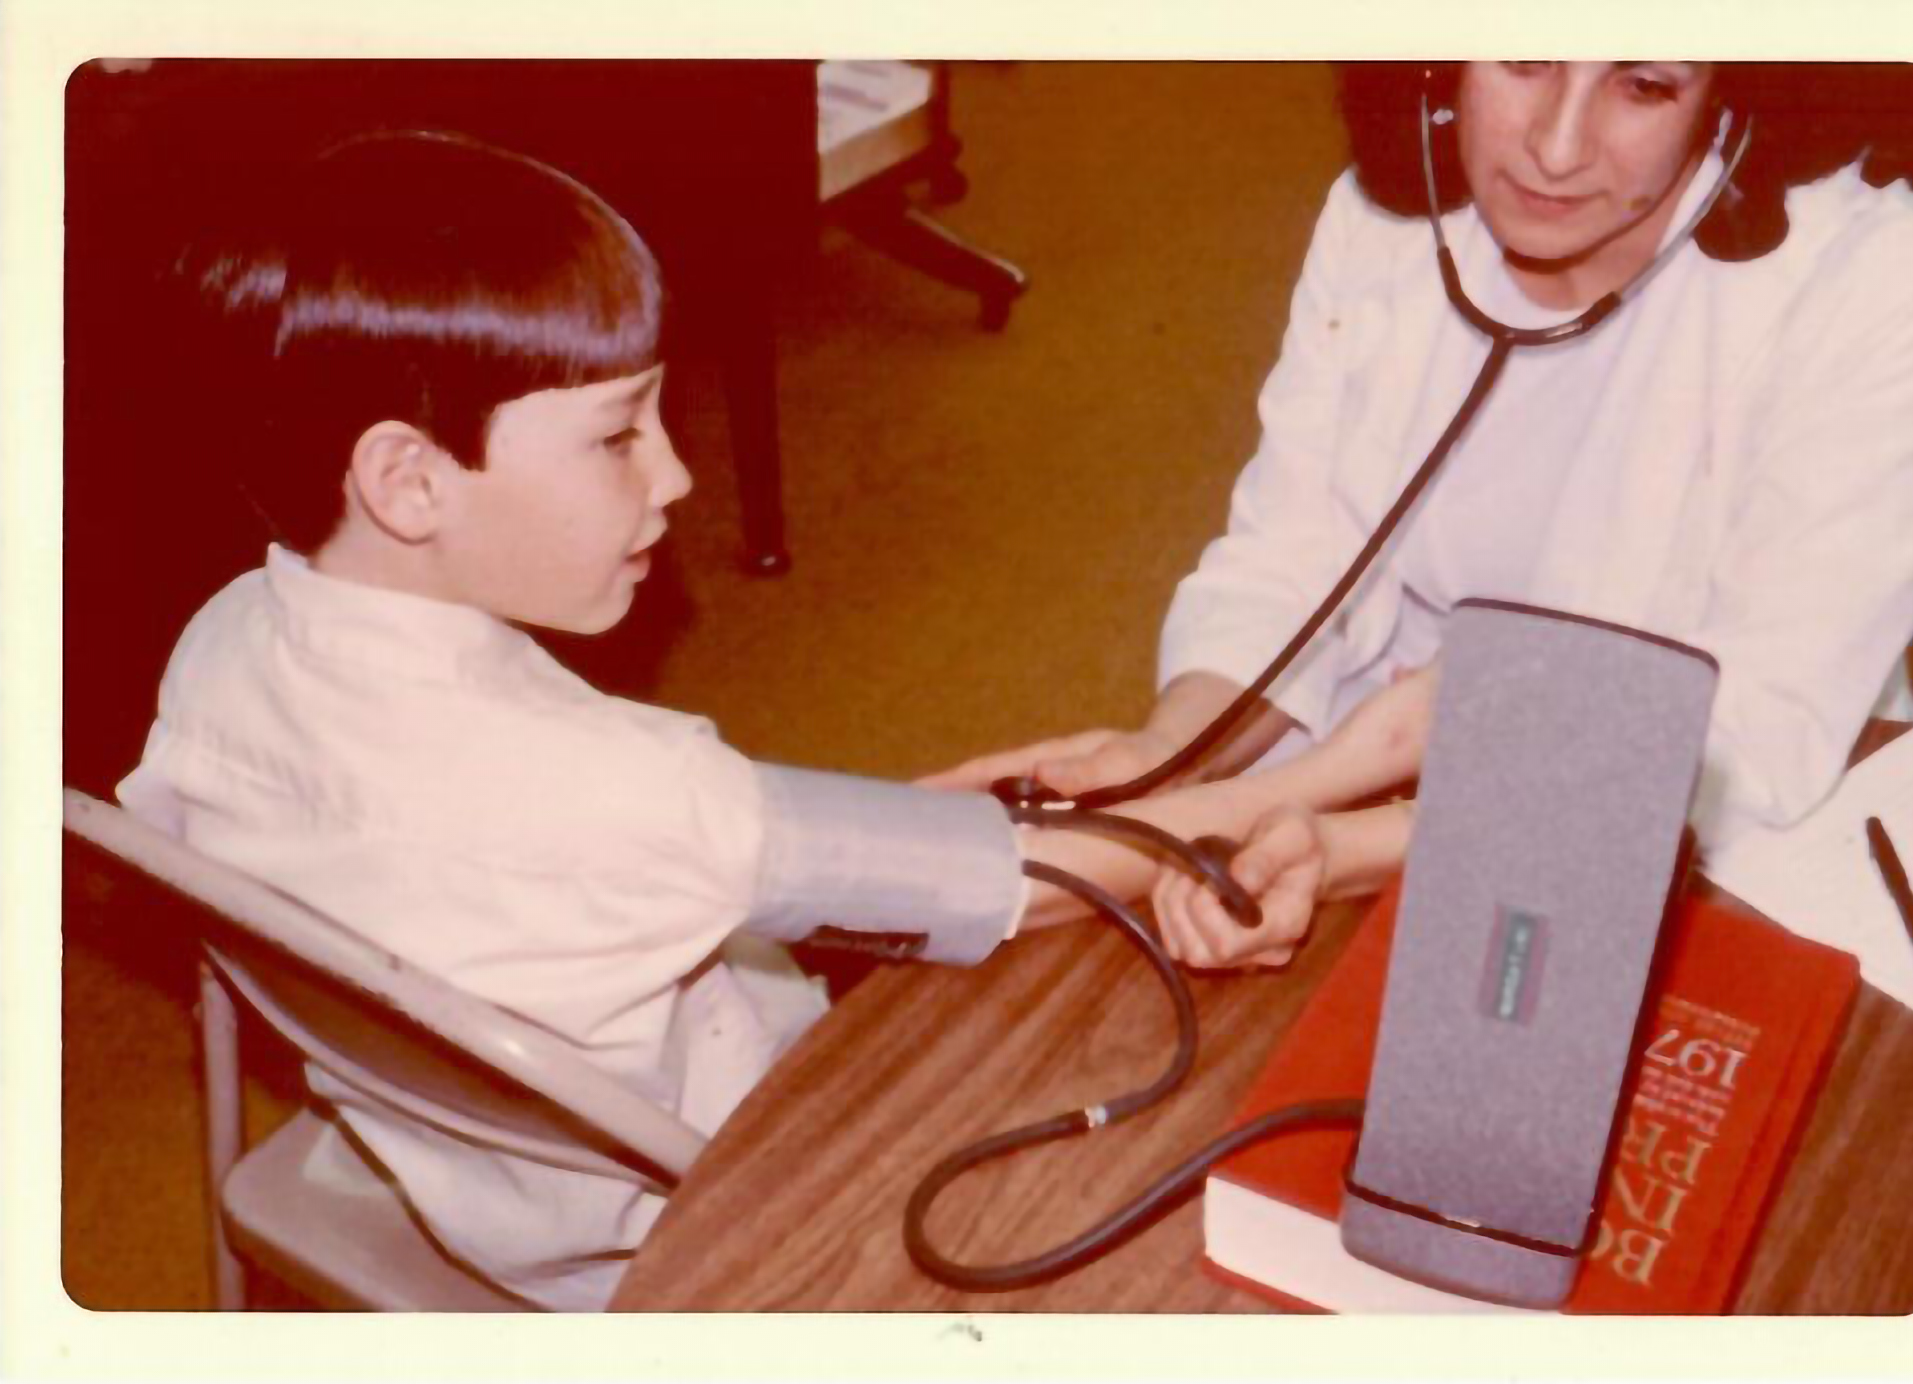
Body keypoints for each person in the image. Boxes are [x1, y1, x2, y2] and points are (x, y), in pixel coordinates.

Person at [111, 129, 1395, 1310]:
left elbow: (665, 844)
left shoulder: (216, 645)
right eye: (617, 436)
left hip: (436, 1157)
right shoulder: (627, 792)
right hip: (684, 1220)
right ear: (406, 479)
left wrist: (873, 841)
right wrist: (1330, 772)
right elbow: (1034, 877)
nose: (673, 475)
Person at [932, 61, 1913, 964]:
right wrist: (1177, 750)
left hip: (1706, 850)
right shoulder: (1390, 215)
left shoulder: (1887, 283)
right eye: (1522, 60)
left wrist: (1301, 826)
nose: (1552, 147)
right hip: (1364, 788)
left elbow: (1742, 740)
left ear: (1732, 88)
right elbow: (1293, 556)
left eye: (1642, 87)